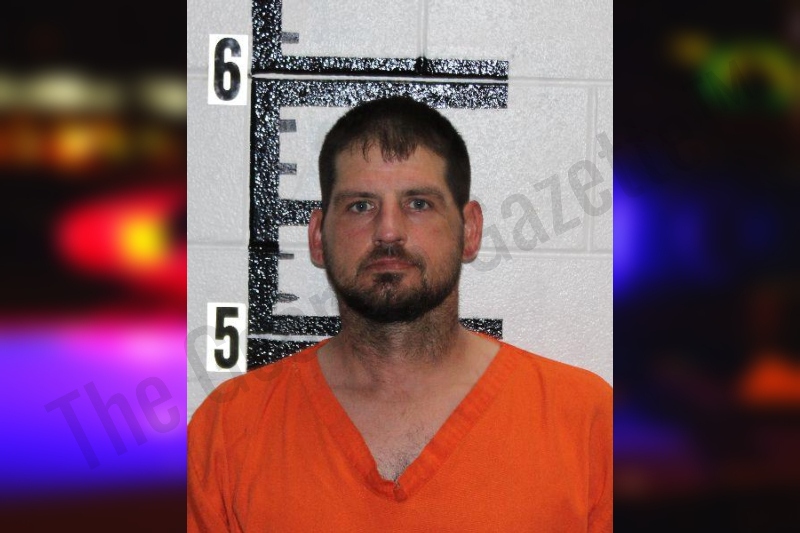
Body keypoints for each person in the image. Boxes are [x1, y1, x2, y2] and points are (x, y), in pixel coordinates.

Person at [188, 96, 612, 532]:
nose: (388, 231)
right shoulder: (228, 431)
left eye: (418, 204)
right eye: (361, 205)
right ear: (317, 237)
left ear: (470, 230)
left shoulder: (587, 423)